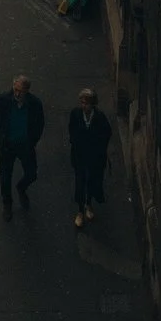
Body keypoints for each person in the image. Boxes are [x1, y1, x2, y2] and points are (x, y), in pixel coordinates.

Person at [0, 74, 46, 220]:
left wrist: (32, 141)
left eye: (20, 91)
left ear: (27, 91)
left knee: (32, 173)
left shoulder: (34, 104)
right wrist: (0, 139)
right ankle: (7, 204)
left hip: (25, 146)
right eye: (15, 89)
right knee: (5, 177)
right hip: (7, 145)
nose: (17, 93)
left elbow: (39, 124)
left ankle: (21, 187)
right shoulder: (3, 100)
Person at [67, 88, 112, 228]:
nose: (83, 106)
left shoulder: (99, 117)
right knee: (80, 182)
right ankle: (80, 210)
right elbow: (71, 130)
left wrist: (99, 147)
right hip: (79, 155)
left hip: (94, 156)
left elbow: (106, 133)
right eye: (82, 102)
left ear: (93, 104)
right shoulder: (75, 114)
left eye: (86, 103)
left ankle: (89, 204)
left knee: (92, 181)